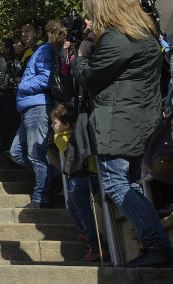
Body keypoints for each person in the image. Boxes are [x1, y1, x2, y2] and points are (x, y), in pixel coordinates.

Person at [71, 0, 173, 267]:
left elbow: (90, 78)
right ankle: (155, 247)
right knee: (130, 183)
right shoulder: (146, 34)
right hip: (142, 118)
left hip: (119, 120)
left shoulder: (116, 38)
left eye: (92, 10)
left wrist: (80, 56)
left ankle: (157, 246)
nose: (89, 15)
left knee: (116, 184)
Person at [50, 104, 107, 262]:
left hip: (81, 178)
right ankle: (84, 231)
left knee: (84, 212)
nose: (52, 126)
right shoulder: (82, 133)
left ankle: (96, 246)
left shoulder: (60, 137)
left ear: (67, 124)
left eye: (54, 123)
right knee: (72, 205)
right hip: (88, 176)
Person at [11, 20, 58, 208]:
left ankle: (40, 197)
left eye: (27, 30)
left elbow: (46, 77)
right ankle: (55, 177)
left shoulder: (45, 49)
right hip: (29, 108)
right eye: (22, 31)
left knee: (36, 155)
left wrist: (22, 84)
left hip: (37, 107)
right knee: (16, 152)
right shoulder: (37, 51)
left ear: (40, 32)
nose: (24, 34)